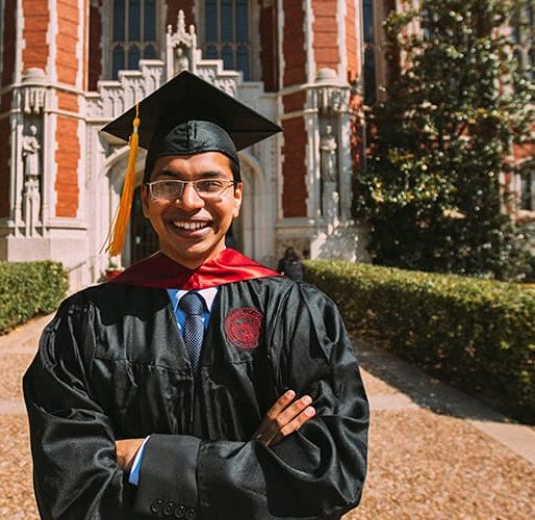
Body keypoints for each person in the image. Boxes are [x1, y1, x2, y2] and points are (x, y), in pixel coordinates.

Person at [23, 72, 369, 519]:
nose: (189, 202)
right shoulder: (85, 322)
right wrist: (253, 455)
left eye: (211, 183)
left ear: (238, 197)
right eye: (168, 184)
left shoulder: (298, 313)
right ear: (144, 200)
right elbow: (70, 490)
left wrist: (143, 459)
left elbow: (330, 474)